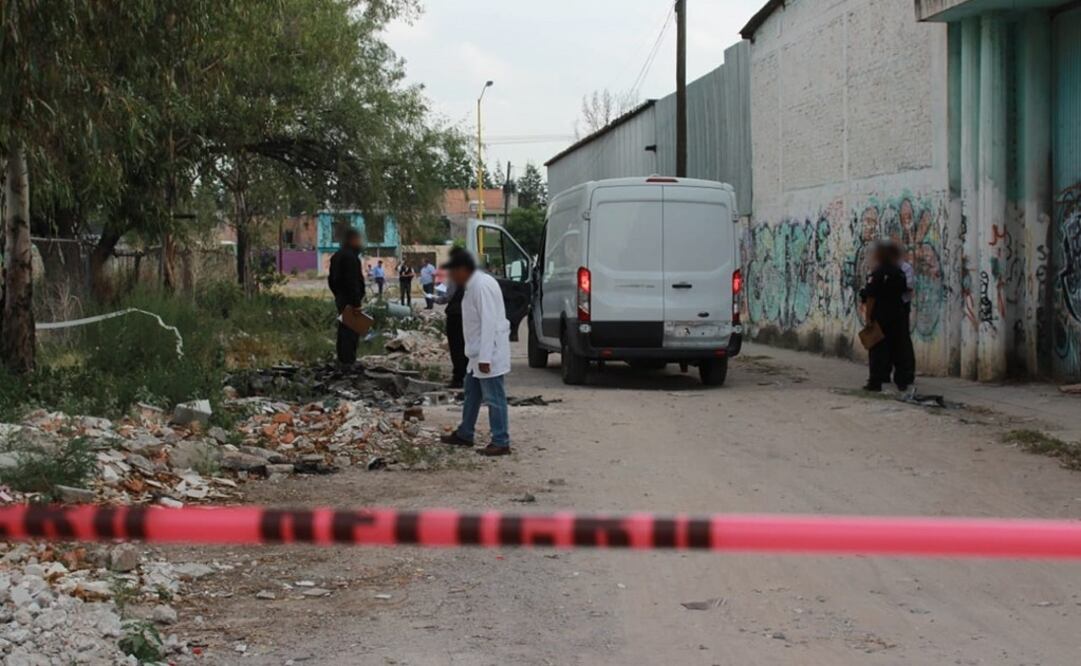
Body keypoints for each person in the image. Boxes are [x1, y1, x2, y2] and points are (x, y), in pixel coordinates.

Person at [439, 249, 512, 456]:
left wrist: (485, 357)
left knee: (494, 397)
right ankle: (465, 433)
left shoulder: (481, 286)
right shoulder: (473, 285)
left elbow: (489, 323)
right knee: (472, 393)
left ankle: (501, 441)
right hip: (477, 352)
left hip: (488, 352)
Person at [860, 241, 915, 393]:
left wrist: (868, 318)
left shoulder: (877, 273)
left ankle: (876, 381)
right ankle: (902, 381)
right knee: (899, 348)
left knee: (877, 349)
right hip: (897, 315)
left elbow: (871, 297)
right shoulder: (899, 272)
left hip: (880, 316)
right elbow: (905, 291)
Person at [328, 229, 365, 367]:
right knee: (351, 331)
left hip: (341, 298)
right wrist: (356, 303)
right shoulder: (350, 257)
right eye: (358, 239)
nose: (360, 242)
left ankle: (343, 359)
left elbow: (331, 280)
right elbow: (352, 281)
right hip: (350, 300)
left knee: (344, 329)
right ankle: (348, 361)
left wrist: (338, 294)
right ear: (352, 240)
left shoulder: (337, 256)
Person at [444, 267, 468, 389]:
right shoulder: (472, 277)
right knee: (465, 345)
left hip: (455, 315)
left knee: (456, 347)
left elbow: (448, 296)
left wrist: (435, 298)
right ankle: (468, 376)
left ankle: (458, 378)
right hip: (467, 316)